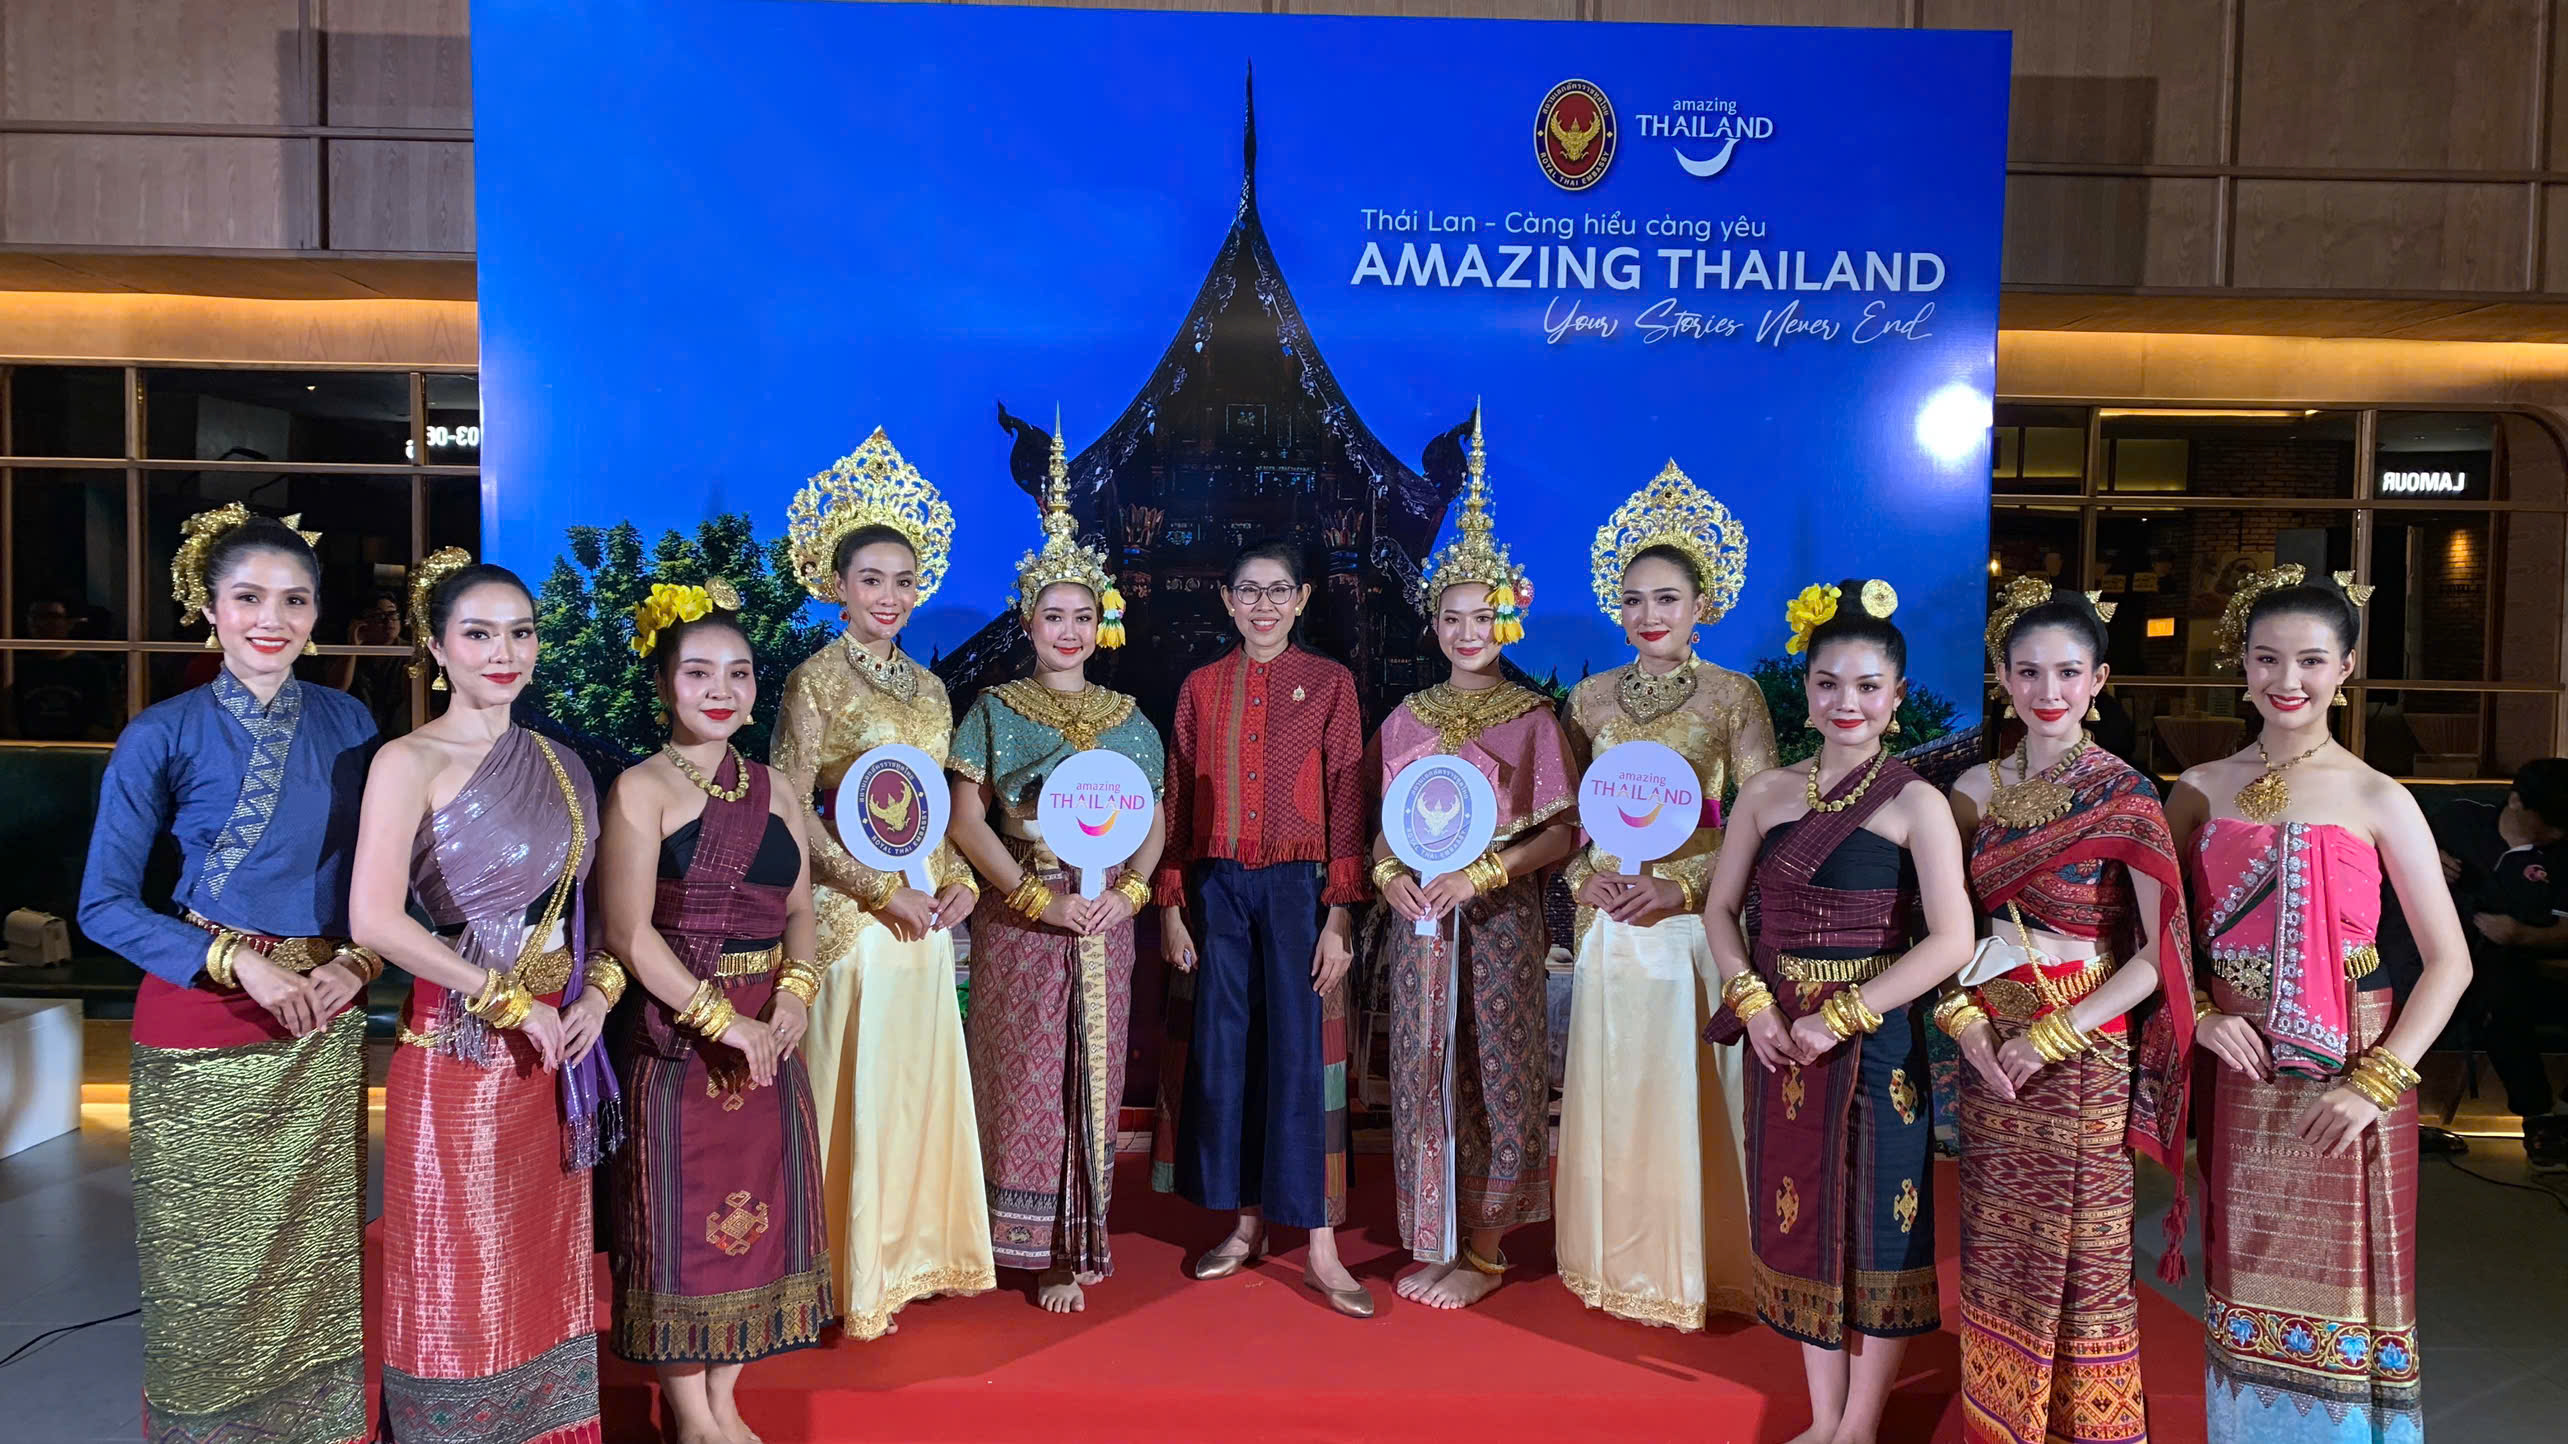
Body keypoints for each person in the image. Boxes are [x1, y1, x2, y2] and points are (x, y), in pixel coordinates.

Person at [76, 505, 382, 1444]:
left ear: (316, 613)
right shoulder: (161, 732)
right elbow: (103, 905)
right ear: (208, 609)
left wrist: (360, 961)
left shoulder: (351, 721)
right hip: (203, 1011)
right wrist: (234, 960)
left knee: (312, 1263)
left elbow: (387, 881)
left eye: (294, 600)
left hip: (320, 1016)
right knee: (206, 1269)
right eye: (248, 598)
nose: (271, 620)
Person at [2167, 566, 2471, 1444]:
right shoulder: (2198, 787)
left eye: (2309, 660)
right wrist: (2204, 1016)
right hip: (2241, 1060)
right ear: (2242, 665)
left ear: (2345, 668)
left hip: (2354, 1064)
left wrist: (2376, 1084)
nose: (2287, 680)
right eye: (2267, 658)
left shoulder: (2379, 796)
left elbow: (2449, 963)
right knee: (2242, 1272)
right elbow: (2161, 937)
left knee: (2346, 1284)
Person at [350, 551, 618, 1443]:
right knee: (457, 1283)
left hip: (555, 1061)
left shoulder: (563, 764)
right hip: (457, 1060)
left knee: (543, 1277)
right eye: (478, 633)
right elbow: (374, 919)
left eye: (520, 632)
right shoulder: (408, 760)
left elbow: (587, 919)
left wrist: (596, 998)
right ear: (436, 647)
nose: (503, 652)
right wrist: (505, 1002)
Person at [1701, 577, 1975, 1444]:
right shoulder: (1765, 793)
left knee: (1883, 1225)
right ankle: (1823, 1417)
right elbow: (1720, 909)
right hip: (1780, 1036)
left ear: (1896, 697)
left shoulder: (1916, 802)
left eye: (1867, 686)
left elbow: (1952, 940)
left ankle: (1860, 1425)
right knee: (1800, 1218)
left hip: (1877, 1040)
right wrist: (1752, 1001)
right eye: (1828, 684)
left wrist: (1844, 1015)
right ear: (1807, 689)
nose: (1845, 702)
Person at [1942, 576, 2196, 1444]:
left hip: (2084, 1048)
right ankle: (2000, 1420)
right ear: (2002, 680)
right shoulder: (1972, 790)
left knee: (2084, 1252)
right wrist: (1967, 1023)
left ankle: (2087, 1429)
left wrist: (2056, 1033)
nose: (2047, 692)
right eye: (2028, 672)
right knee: (1995, 1241)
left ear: (2099, 681)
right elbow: (1946, 931)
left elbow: (2157, 957)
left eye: (2067, 673)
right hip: (1989, 1044)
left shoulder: (2127, 794)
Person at [596, 579, 833, 1444]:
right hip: (679, 1041)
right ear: (666, 684)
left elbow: (801, 911)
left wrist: (795, 995)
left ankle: (726, 1400)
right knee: (676, 1230)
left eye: (738, 672)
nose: (721, 690)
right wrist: (721, 1021)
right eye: (698, 673)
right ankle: (691, 1417)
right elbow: (627, 932)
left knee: (758, 1221)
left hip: (770, 1033)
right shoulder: (641, 788)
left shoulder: (777, 789)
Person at [774, 431, 994, 1338]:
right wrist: (875, 891)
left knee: (912, 1088)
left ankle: (908, 1258)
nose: (890, 597)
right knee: (854, 1088)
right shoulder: (812, 682)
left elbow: (930, 808)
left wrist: (958, 881)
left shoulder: (933, 690)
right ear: (839, 585)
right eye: (872, 580)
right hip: (850, 918)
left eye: (904, 580)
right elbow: (791, 807)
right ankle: (843, 1272)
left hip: (923, 911)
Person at [946, 430, 1166, 1315]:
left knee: (1091, 1077)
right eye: (1052, 617)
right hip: (1021, 917)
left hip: (1104, 920)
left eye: (1081, 617)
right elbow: (966, 817)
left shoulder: (1130, 717)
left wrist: (1132, 895)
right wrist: (1034, 897)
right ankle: (1007, 1237)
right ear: (1027, 622)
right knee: (1022, 1072)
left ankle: (1072, 1245)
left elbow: (1154, 816)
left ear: (1099, 624)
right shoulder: (993, 710)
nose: (1068, 632)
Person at [1555, 461, 1775, 1331]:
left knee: (1692, 1096)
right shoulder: (1588, 698)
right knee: (1616, 1094)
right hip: (1611, 925)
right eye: (1635, 600)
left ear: (1702, 605)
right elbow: (1567, 821)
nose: (1650, 615)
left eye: (1668, 599)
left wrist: (1679, 885)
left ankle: (1703, 1268)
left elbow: (1759, 817)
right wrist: (1586, 880)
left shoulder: (1734, 696)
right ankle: (1614, 1265)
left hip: (1690, 927)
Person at [1371, 411, 1577, 1312]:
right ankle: (1437, 1233)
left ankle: (1486, 1249)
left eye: (1483, 616)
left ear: (1509, 617)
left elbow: (1562, 834)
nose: (1468, 632)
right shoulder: (1405, 720)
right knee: (1424, 1068)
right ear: (1433, 623)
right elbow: (1383, 831)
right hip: (1421, 924)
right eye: (1452, 618)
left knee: (1496, 1066)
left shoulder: (1533, 720)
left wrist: (1482, 875)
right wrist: (1392, 878)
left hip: (1495, 922)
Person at [1150, 535, 1372, 1317]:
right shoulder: (1201, 688)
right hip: (1217, 889)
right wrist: (1171, 906)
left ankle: (1320, 1244)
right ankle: (1245, 1224)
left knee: (1304, 1058)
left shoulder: (1332, 684)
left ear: (1303, 599)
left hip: (1299, 890)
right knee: (1227, 1055)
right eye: (1249, 590)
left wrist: (1339, 915)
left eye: (1280, 590)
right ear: (1227, 599)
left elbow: (1347, 798)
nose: (1264, 605)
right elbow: (1176, 796)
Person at [2428, 757, 2568, 1171]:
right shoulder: (2459, 820)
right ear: (2517, 802)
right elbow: (2381, 850)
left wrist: (2520, 935)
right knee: (2495, 991)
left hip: (2532, 959)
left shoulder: (2562, 853)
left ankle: (2556, 1114)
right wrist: (2423, 858)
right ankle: (2538, 1116)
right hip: (2440, 955)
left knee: (2504, 982)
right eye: (2550, 823)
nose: (2558, 833)